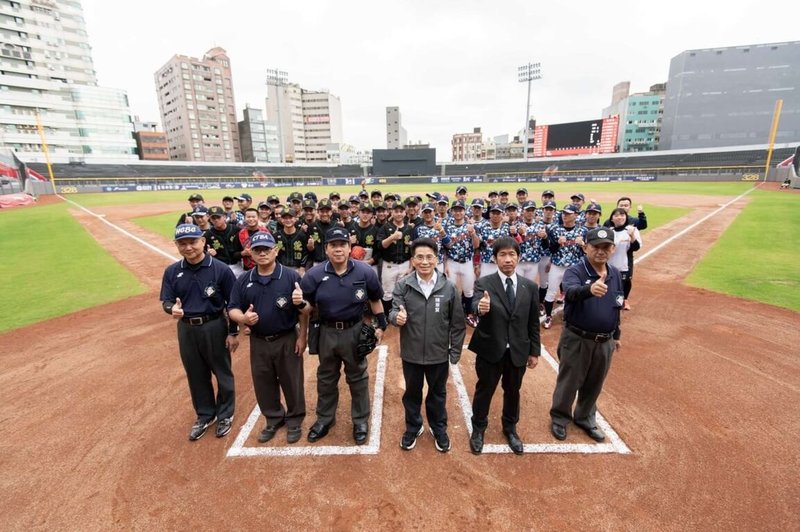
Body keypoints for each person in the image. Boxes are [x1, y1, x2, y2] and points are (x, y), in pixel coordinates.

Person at [299, 227, 386, 445]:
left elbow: (375, 299)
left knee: (357, 377)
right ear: (326, 249)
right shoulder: (314, 275)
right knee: (326, 378)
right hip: (326, 331)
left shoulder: (365, 272)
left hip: (354, 330)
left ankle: (360, 420)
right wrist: (301, 304)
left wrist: (381, 325)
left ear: (350, 248)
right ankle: (325, 419)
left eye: (342, 245)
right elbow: (307, 306)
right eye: (333, 245)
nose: (338, 249)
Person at [228, 233, 310, 444]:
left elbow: (305, 310)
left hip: (286, 338)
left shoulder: (291, 277)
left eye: (266, 249)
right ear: (251, 254)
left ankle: (294, 420)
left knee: (292, 381)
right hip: (259, 340)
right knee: (263, 382)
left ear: (276, 250)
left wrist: (302, 337)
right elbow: (232, 309)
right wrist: (243, 318)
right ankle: (273, 419)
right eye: (257, 250)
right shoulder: (244, 279)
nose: (262, 253)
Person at [159, 224, 239, 441]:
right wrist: (171, 309)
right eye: (182, 244)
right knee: (195, 373)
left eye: (193, 242)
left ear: (203, 241)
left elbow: (233, 303)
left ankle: (225, 414)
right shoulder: (172, 271)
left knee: (221, 371)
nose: (188, 248)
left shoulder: (220, 269)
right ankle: (205, 414)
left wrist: (233, 332)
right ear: (176, 245)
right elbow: (166, 300)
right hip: (186, 328)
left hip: (214, 326)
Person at [389, 238, 465, 452]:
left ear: (436, 259)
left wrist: (455, 352)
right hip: (411, 353)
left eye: (429, 257)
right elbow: (393, 311)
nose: (424, 261)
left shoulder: (448, 287)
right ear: (412, 260)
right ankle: (413, 427)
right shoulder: (403, 285)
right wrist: (397, 318)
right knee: (412, 393)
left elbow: (458, 324)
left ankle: (438, 427)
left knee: (437, 393)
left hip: (438, 354)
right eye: (419, 257)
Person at [468, 237, 541, 455]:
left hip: (517, 350)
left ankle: (510, 428)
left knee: (513, 391)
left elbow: (532, 322)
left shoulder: (530, 286)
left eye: (512, 254)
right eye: (502, 255)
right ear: (495, 258)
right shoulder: (484, 283)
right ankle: (478, 428)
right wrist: (480, 307)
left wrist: (534, 351)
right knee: (485, 390)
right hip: (491, 349)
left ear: (518, 257)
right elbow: (475, 304)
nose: (507, 259)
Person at [550, 227, 623, 443]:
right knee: (569, 381)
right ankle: (560, 417)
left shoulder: (616, 274)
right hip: (577, 338)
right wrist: (589, 290)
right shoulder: (575, 271)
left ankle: (585, 417)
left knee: (594, 382)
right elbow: (570, 292)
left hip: (605, 341)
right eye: (595, 247)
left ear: (613, 249)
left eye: (606, 247)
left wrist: (616, 334)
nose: (601, 251)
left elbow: (617, 304)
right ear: (585, 247)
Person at [542, 204, 587, 329]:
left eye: (568, 213)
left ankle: (569, 315)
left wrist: (582, 244)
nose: (565, 215)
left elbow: (587, 251)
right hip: (557, 266)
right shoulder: (555, 230)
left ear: (576, 215)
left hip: (574, 268)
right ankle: (548, 316)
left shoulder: (583, 231)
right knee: (551, 292)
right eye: (564, 213)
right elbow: (550, 250)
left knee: (572, 293)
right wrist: (557, 243)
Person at [376, 203, 414, 315]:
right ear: (391, 212)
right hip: (389, 265)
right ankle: (388, 315)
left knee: (404, 292)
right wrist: (392, 237)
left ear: (404, 212)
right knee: (387, 293)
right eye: (396, 211)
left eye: (401, 211)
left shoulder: (409, 228)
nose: (398, 214)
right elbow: (380, 245)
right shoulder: (385, 227)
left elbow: (413, 250)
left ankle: (401, 314)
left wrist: (411, 267)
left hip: (405, 264)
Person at [608, 207, 642, 310]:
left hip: (622, 266)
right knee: (608, 287)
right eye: (616, 215)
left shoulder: (631, 230)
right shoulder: (609, 231)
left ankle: (617, 310)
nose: (619, 217)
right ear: (612, 219)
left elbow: (636, 247)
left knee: (620, 289)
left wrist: (632, 236)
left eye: (622, 215)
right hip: (608, 265)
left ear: (626, 217)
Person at [204, 206, 244, 277]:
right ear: (210, 219)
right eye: (213, 218)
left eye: (218, 217)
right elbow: (202, 252)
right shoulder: (208, 235)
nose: (216, 220)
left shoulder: (236, 230)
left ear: (224, 217)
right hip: (220, 267)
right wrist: (208, 253)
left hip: (238, 265)